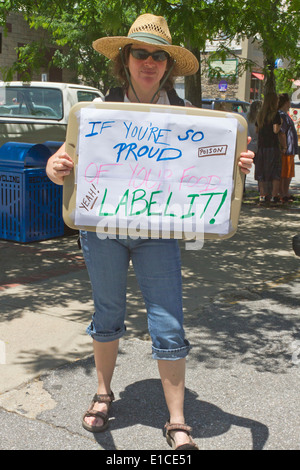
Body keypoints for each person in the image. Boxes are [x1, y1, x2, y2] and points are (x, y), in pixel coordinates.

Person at [46, 14, 254, 450]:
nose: (149, 61)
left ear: (167, 66)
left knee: (168, 322)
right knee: (107, 314)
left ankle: (177, 419)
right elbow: (64, 161)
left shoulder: (188, 121)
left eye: (158, 56)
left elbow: (211, 168)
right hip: (102, 228)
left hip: (158, 232)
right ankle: (104, 395)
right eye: (140, 53)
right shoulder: (97, 114)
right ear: (125, 60)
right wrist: (56, 166)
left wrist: (232, 168)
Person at [255, 92, 282, 204]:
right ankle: (274, 195)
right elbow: (275, 130)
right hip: (272, 146)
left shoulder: (260, 114)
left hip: (261, 146)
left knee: (261, 170)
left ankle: (262, 194)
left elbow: (257, 131)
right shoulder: (275, 114)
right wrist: (280, 124)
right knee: (275, 171)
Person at [278, 93, 298, 202]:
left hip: (290, 149)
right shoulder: (282, 115)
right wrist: (284, 146)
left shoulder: (285, 114)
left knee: (288, 173)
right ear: (286, 102)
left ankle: (286, 193)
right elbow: (282, 132)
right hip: (286, 149)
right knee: (284, 174)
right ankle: (283, 194)